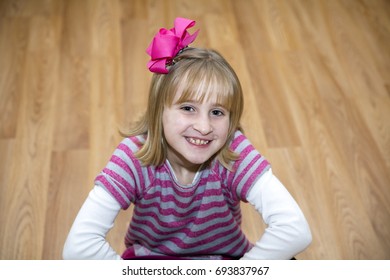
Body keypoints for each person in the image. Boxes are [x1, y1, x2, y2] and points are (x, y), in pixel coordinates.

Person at [63, 17, 312, 260]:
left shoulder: (233, 151)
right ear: (158, 109)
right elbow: (79, 246)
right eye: (188, 108)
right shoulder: (134, 155)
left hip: (224, 260)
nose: (204, 127)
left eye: (217, 112)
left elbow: (294, 230)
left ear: (232, 119)